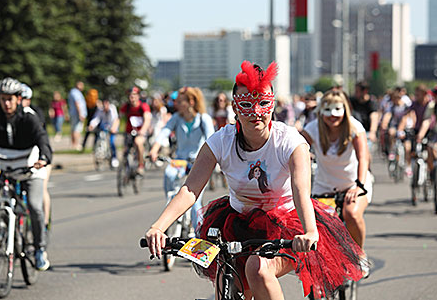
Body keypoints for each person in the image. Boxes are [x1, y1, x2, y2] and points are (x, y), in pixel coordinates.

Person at [146, 61, 365, 299]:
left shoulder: (290, 141)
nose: (256, 112)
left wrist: (310, 232)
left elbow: (301, 191)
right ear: (235, 108)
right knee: (225, 280)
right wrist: (158, 226)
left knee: (257, 268)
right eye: (247, 105)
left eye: (263, 103)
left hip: (286, 223)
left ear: (272, 106)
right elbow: (190, 189)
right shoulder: (221, 141)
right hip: (237, 223)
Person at [0, 77, 52, 271]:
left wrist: (43, 158)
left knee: (35, 207)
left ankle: (40, 250)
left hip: (29, 169)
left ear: (18, 98)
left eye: (10, 99)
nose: (6, 103)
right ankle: (0, 223)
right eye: (2, 99)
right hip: (2, 169)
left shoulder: (29, 117)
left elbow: (43, 139)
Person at [301, 89, 372, 279]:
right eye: (328, 110)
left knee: (351, 214)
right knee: (316, 222)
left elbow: (363, 157)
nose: (333, 115)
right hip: (324, 186)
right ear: (321, 110)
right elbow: (296, 147)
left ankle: (359, 254)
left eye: (337, 109)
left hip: (354, 183)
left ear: (345, 109)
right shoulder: (313, 128)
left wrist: (359, 185)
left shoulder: (354, 127)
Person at [149, 86, 214, 232]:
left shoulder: (203, 119)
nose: (176, 104)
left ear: (191, 102)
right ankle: (172, 208)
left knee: (195, 200)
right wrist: (154, 149)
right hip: (179, 160)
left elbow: (212, 139)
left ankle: (198, 236)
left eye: (180, 101)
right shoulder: (176, 118)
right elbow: (164, 131)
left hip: (198, 162)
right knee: (169, 175)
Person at [20, 83, 52, 231]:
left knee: (41, 189)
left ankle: (43, 223)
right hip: (21, 159)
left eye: (25, 98)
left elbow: (41, 139)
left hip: (39, 158)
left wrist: (43, 158)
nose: (21, 102)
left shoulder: (34, 113)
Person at [119, 86, 151, 175]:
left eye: (134, 95)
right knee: (125, 149)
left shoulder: (143, 106)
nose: (131, 97)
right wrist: (114, 127)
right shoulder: (126, 107)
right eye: (130, 95)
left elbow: (147, 119)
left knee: (138, 143)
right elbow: (119, 118)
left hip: (140, 132)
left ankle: (141, 165)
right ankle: (126, 169)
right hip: (129, 132)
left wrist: (143, 130)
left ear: (138, 96)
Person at [87, 97, 120, 168]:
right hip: (104, 127)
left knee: (111, 142)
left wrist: (114, 128)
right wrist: (91, 125)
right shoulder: (100, 110)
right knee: (100, 138)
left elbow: (115, 119)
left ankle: (114, 157)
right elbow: (96, 118)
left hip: (112, 127)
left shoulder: (112, 109)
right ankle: (99, 153)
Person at [350, 81, 379, 150]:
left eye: (357, 91)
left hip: (367, 132)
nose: (355, 93)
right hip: (354, 132)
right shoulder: (351, 101)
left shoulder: (371, 103)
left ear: (365, 91)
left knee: (366, 153)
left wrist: (373, 132)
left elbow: (374, 117)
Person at [68, 81, 87, 151]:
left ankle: (73, 144)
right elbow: (77, 103)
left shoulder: (73, 92)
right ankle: (76, 144)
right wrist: (80, 114)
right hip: (77, 114)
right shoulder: (76, 93)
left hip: (74, 113)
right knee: (77, 129)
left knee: (74, 129)